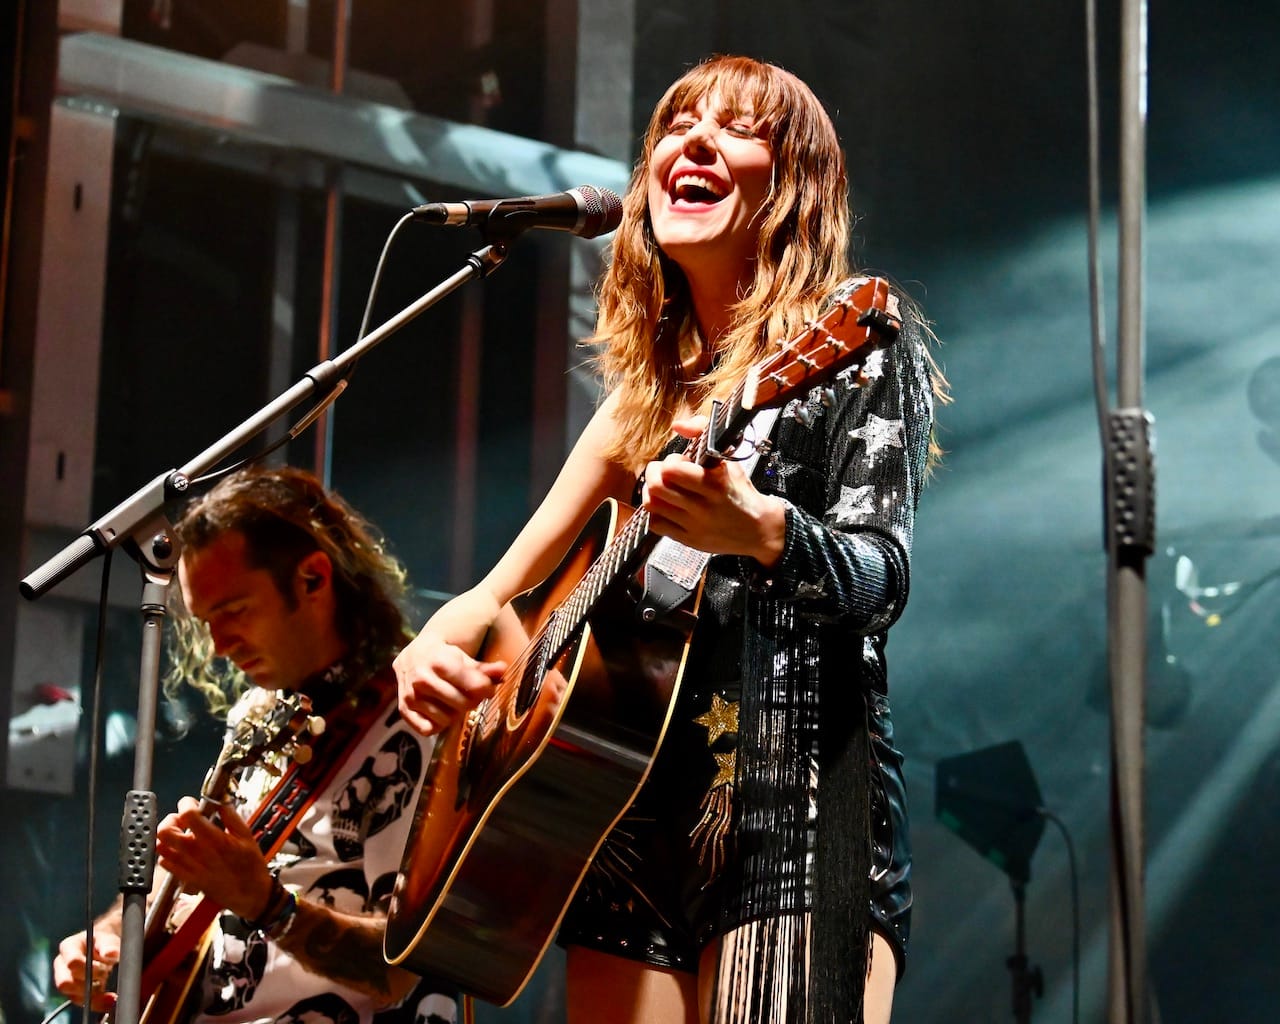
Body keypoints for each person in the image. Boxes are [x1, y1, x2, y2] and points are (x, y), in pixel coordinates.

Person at [393, 54, 945, 1024]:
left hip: (788, 818)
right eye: (674, 128)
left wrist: (762, 529)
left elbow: (882, 578)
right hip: (613, 825)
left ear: (794, 185)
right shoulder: (636, 407)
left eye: (734, 127)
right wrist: (432, 652)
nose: (690, 141)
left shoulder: (847, 343)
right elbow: (488, 603)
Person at [52, 467, 457, 1024]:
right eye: (206, 622)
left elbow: (406, 964)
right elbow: (189, 899)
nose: (217, 646)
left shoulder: (418, 719)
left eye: (234, 612)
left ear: (313, 579)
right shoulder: (260, 714)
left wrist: (267, 904)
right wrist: (103, 942)